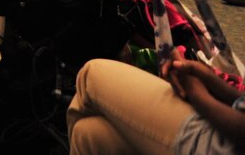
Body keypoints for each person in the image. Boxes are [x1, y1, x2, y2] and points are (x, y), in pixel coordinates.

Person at [68, 55, 245, 155]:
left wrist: (197, 94)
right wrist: (213, 81)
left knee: (91, 74)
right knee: (88, 134)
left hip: (221, 144)